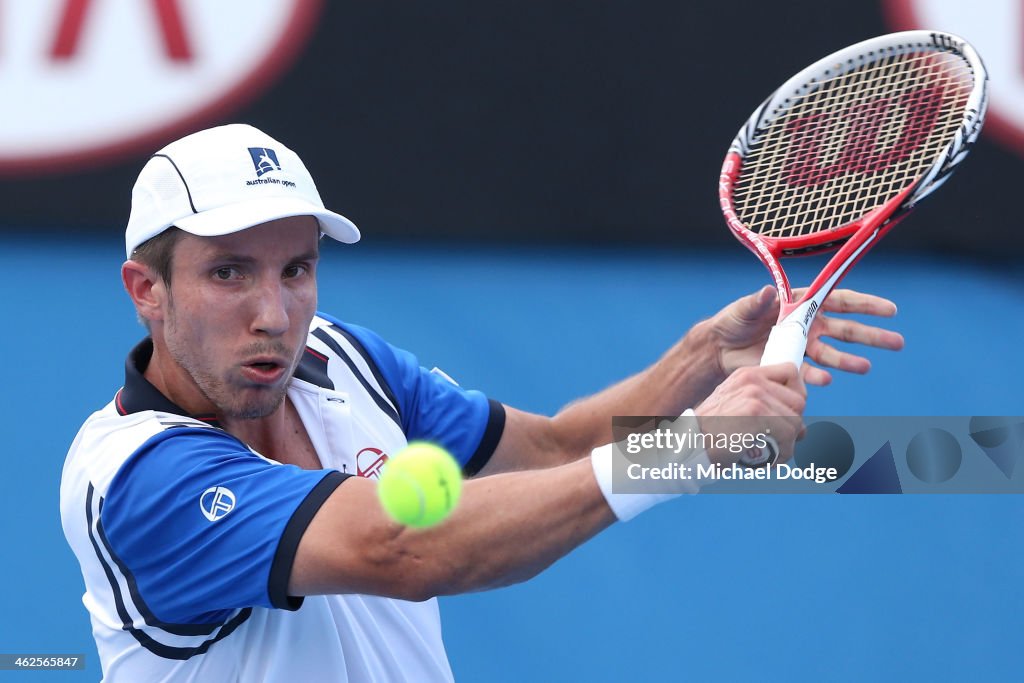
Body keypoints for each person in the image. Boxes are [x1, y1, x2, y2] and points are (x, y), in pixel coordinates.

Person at [59, 124, 904, 682]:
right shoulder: (138, 477)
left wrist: (703, 356)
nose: (274, 313)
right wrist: (684, 448)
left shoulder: (342, 357)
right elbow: (409, 549)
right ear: (148, 290)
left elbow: (552, 448)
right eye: (229, 272)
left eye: (297, 268)